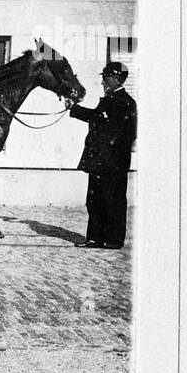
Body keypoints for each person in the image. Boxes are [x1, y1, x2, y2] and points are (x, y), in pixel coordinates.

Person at [67, 59, 137, 249]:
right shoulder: (110, 101)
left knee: (112, 200)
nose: (103, 82)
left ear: (117, 78)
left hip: (113, 164)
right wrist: (74, 109)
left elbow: (129, 134)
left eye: (106, 78)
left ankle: (113, 240)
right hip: (100, 161)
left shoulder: (126, 103)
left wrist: (76, 110)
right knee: (94, 199)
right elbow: (97, 117)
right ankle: (95, 238)